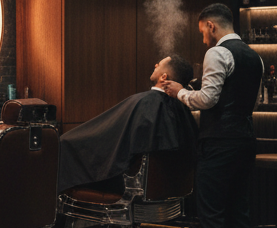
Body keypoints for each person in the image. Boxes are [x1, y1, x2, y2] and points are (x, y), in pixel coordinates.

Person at [157, 2, 264, 228]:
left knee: (212, 218)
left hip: (219, 144)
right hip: (245, 141)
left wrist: (179, 92)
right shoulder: (254, 58)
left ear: (211, 25)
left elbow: (207, 99)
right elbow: (241, 99)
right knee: (240, 216)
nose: (202, 37)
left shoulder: (217, 52)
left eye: (202, 30)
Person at [58, 55, 197, 193]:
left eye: (159, 65)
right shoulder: (183, 110)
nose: (155, 65)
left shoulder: (146, 103)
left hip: (126, 184)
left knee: (64, 144)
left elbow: (107, 137)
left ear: (163, 77)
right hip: (172, 190)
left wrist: (66, 142)